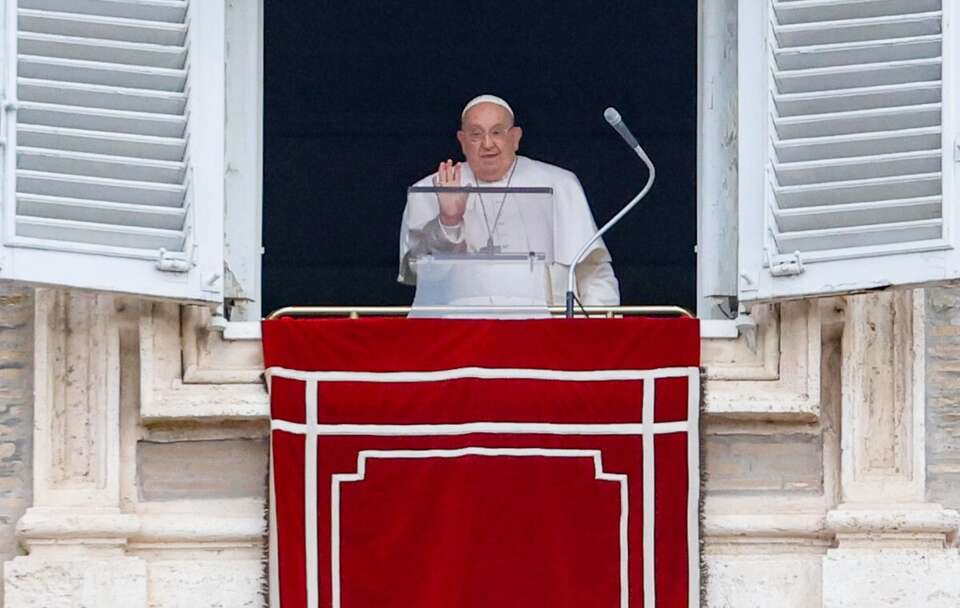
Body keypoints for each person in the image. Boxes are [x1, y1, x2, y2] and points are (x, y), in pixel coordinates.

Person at [398, 94, 620, 306]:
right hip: (460, 335)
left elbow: (593, 271)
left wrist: (594, 333)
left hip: (547, 333)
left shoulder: (560, 183)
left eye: (497, 132)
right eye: (476, 134)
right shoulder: (429, 189)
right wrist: (449, 220)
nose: (487, 144)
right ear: (462, 141)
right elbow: (418, 272)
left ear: (515, 138)